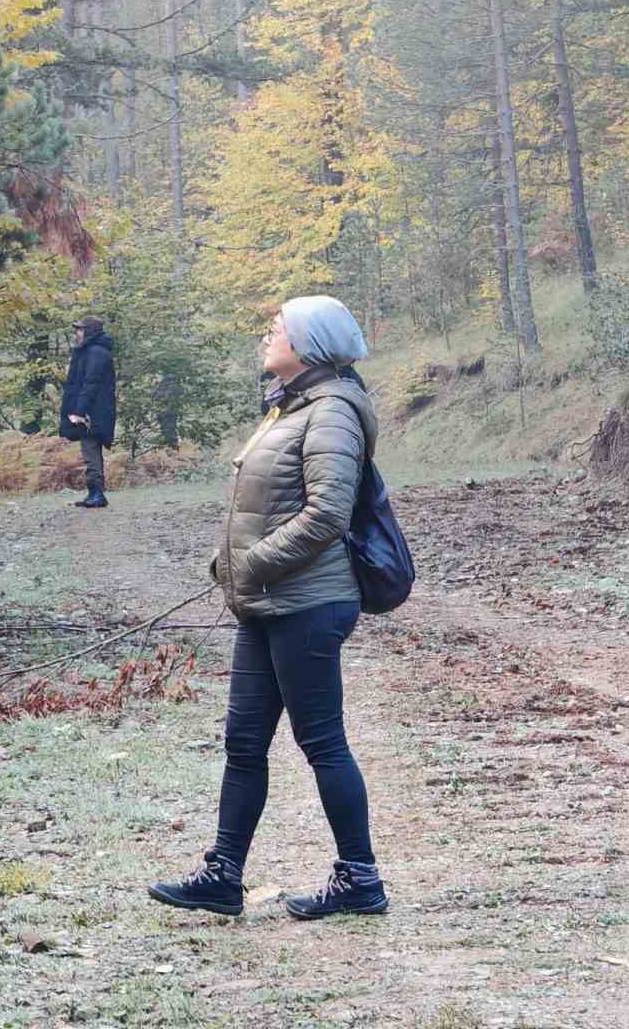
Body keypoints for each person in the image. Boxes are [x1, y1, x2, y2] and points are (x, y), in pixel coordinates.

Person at [149, 295, 388, 920]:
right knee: (243, 742)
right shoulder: (293, 405)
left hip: (308, 603)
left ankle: (360, 879)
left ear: (308, 344)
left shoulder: (332, 411)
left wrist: (251, 563)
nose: (266, 335)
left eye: (277, 328)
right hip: (269, 602)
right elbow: (269, 505)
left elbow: (328, 514)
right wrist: (233, 565)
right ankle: (222, 876)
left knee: (322, 742)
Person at [58, 316, 117, 509]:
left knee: (90, 450)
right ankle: (94, 493)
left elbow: (90, 383)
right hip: (93, 410)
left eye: (80, 329)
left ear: (90, 331)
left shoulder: (96, 353)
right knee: (90, 450)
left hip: (94, 412)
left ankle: (97, 494)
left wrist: (79, 411)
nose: (77, 333)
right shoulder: (91, 351)